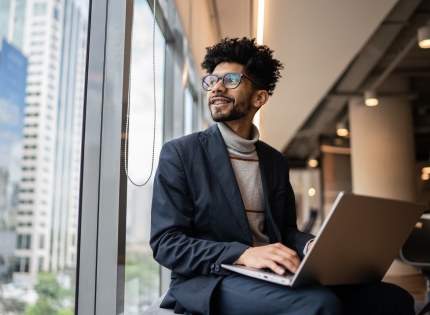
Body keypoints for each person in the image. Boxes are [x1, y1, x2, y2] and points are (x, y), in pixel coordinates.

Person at [150, 37, 414, 315]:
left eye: (230, 80)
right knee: (320, 304)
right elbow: (167, 243)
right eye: (212, 80)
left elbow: (285, 231)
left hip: (271, 273)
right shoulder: (181, 153)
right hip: (211, 280)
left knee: (393, 299)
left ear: (259, 97)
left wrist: (313, 245)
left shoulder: (275, 161)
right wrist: (242, 254)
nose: (216, 87)